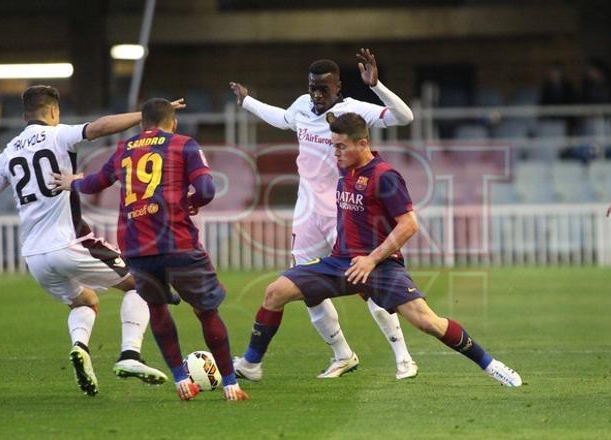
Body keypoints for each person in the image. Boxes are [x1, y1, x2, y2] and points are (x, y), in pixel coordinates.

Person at [233, 112, 523, 387]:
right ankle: (251, 365)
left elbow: (409, 225)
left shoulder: (385, 176)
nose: (335, 153)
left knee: (427, 322)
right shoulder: (344, 167)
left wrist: (371, 260)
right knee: (275, 292)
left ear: (363, 144)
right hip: (340, 263)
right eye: (333, 146)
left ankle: (490, 364)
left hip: (381, 266)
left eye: (341, 147)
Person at [0, 85, 175, 396]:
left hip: (34, 257)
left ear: (24, 116)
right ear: (53, 112)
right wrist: (145, 115)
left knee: (86, 301)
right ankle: (130, 354)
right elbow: (99, 127)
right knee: (143, 283)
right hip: (69, 242)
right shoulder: (60, 134)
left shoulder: (8, 152)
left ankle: (80, 347)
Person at [230, 48, 418, 380]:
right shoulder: (302, 106)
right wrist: (247, 102)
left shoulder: (353, 111)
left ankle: (403, 357)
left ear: (338, 87)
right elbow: (282, 118)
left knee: (368, 283)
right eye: (313, 87)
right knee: (306, 285)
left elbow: (405, 117)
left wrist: (376, 86)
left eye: (324, 88)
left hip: (345, 210)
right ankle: (342, 354)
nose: (317, 94)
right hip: (307, 212)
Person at [52, 98, 249, 401]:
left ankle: (182, 380)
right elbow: (208, 190)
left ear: (142, 124)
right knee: (206, 311)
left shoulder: (123, 149)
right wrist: (191, 203)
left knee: (157, 309)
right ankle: (230, 384)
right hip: (179, 243)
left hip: (138, 249)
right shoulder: (184, 144)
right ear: (174, 122)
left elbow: (94, 183)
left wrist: (71, 182)